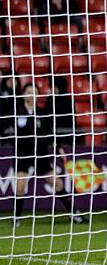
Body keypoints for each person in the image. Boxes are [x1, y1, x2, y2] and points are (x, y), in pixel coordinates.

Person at [13, 83, 85, 228]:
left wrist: (58, 148)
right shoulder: (16, 112)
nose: (31, 95)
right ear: (23, 94)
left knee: (57, 183)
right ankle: (16, 219)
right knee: (20, 187)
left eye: (34, 92)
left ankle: (74, 214)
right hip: (23, 154)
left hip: (40, 153)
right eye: (28, 92)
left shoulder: (42, 113)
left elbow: (50, 134)